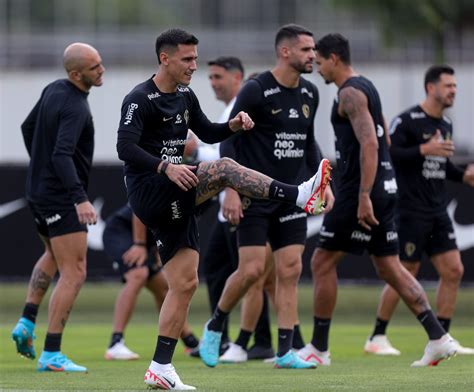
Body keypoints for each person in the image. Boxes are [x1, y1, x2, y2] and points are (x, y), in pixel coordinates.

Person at [116, 28, 331, 390]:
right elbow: (125, 147)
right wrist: (166, 166)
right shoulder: (140, 98)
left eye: (196, 59)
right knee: (227, 170)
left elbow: (210, 133)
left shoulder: (185, 95)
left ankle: (160, 367)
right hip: (151, 189)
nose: (194, 66)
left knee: (184, 283)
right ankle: (298, 195)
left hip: (176, 192)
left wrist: (232, 125)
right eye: (187, 59)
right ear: (164, 58)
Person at [296, 33, 458, 368]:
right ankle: (438, 337)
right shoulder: (367, 86)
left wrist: (364, 195)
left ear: (334, 59)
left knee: (322, 262)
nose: (318, 67)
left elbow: (370, 142)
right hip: (384, 189)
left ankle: (318, 348)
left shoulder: (350, 92)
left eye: (321, 60)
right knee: (390, 267)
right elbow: (381, 129)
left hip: (361, 192)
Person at [199, 24, 334, 370]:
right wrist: (229, 188)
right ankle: (215, 325)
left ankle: (285, 352)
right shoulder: (256, 90)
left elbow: (308, 144)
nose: (312, 57)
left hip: (292, 198)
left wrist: (323, 183)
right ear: (285, 52)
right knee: (250, 271)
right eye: (306, 50)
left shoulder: (309, 94)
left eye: (314, 50)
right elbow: (227, 141)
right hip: (253, 197)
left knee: (289, 270)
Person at [364, 65, 474, 356]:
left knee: (454, 270)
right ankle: (377, 336)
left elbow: (440, 166)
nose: (453, 91)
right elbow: (389, 156)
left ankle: (443, 337)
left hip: (437, 211)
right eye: (447, 85)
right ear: (430, 88)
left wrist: (463, 175)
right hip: (410, 209)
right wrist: (423, 150)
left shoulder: (445, 124)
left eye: (455, 86)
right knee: (406, 271)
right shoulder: (408, 121)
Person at [11, 43, 105, 372]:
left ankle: (26, 321)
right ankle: (52, 353)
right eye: (94, 67)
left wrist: (41, 166)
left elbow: (27, 128)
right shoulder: (76, 106)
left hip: (38, 191)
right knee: (75, 271)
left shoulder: (53, 89)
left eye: (100, 63)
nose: (101, 70)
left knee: (53, 254)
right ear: (76, 74)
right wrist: (79, 198)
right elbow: (62, 155)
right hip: (61, 197)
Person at [202, 58, 275, 360]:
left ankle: (249, 342)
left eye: (218, 76)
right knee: (232, 270)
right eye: (211, 77)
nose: (213, 82)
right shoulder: (231, 112)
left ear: (238, 79)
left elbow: (231, 157)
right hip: (230, 207)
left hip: (245, 205)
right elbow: (226, 150)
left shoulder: (246, 111)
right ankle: (242, 340)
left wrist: (231, 189)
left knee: (253, 273)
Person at [102, 204, 200, 360]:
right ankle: (116, 343)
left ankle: (191, 343)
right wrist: (139, 244)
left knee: (165, 289)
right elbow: (139, 210)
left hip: (148, 239)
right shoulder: (179, 185)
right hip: (122, 231)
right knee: (138, 275)